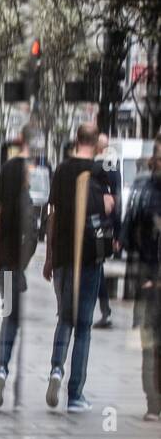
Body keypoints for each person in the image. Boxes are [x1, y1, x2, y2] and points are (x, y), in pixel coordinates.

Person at [43, 123, 114, 413]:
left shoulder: (61, 170)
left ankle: (56, 369)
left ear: (75, 140)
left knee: (65, 319)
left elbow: (52, 214)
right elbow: (108, 208)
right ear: (96, 142)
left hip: (62, 255)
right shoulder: (101, 171)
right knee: (84, 326)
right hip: (89, 259)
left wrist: (49, 256)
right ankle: (75, 395)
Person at [0, 127, 40, 409]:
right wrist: (23, 262)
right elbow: (32, 236)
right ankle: (6, 370)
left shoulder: (4, 204)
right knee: (14, 321)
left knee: (8, 317)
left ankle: (1, 368)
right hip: (16, 268)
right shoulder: (24, 200)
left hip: (5, 265)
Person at [120, 135, 161, 420]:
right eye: (158, 153)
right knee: (149, 344)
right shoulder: (144, 188)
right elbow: (128, 230)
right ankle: (153, 402)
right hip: (148, 277)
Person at [92, 132, 122, 329]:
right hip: (105, 224)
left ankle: (105, 310)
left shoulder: (101, 165)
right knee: (97, 265)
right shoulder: (112, 166)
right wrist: (118, 231)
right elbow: (117, 199)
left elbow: (115, 199)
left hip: (98, 224)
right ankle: (104, 310)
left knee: (96, 266)